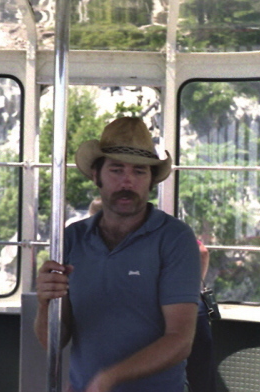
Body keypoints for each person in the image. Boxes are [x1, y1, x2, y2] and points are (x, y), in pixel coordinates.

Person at [35, 117, 201, 392]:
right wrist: (44, 304)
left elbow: (180, 340)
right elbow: (53, 340)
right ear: (96, 176)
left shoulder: (174, 238)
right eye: (116, 169)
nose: (127, 181)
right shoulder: (71, 239)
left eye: (139, 171)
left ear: (150, 182)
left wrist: (109, 378)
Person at [186, 241, 216, 392]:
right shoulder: (176, 231)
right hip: (193, 303)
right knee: (202, 372)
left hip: (157, 309)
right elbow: (202, 252)